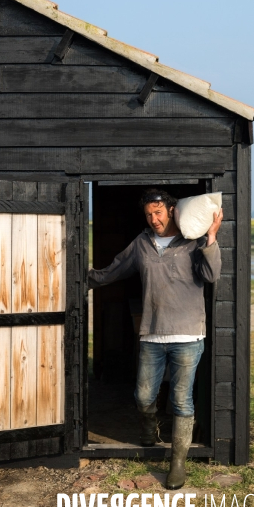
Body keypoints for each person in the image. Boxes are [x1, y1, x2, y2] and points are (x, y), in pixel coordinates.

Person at [88, 188, 223, 490]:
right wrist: (83, 280)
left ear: (172, 210)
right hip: (151, 332)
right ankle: (150, 428)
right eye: (149, 214)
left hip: (188, 333)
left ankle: (177, 463)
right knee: (143, 396)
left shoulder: (193, 241)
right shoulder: (142, 243)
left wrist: (211, 237)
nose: (153, 219)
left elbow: (212, 275)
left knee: (180, 399)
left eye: (158, 212)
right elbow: (114, 270)